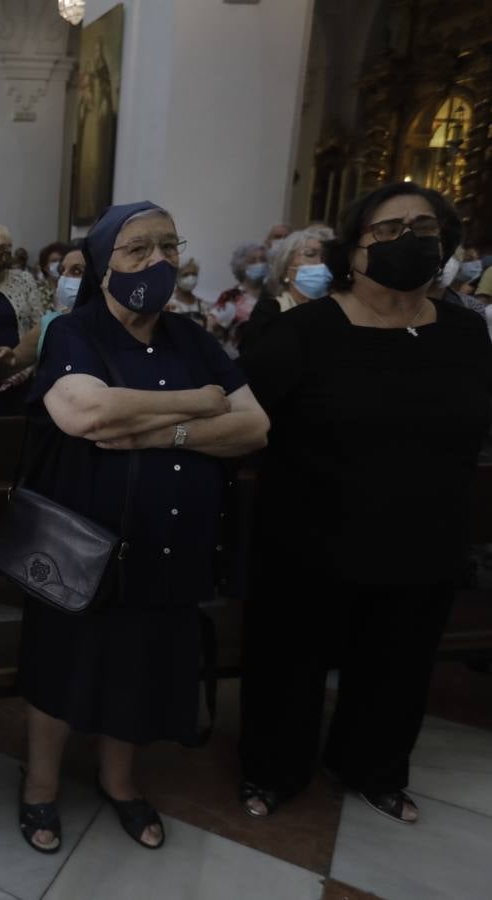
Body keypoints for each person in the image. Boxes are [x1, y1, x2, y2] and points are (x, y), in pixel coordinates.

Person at [12, 201, 268, 855]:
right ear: (102, 265)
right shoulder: (75, 332)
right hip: (82, 542)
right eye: (136, 249)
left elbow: (254, 426)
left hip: (170, 543)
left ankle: (119, 783)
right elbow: (87, 416)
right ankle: (40, 788)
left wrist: (164, 432)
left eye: (165, 246)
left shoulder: (192, 337)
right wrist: (198, 403)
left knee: (135, 669)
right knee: (63, 666)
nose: (156, 261)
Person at [238, 183, 492, 826]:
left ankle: (373, 766)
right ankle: (273, 771)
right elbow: (246, 422)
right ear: (353, 250)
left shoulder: (464, 332)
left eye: (424, 227)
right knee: (289, 663)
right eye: (388, 230)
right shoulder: (303, 332)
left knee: (400, 664)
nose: (408, 240)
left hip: (424, 533)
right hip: (309, 534)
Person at [0, 245, 85, 389]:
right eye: (62, 271)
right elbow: (11, 364)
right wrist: (3, 361)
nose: (65, 278)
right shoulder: (51, 323)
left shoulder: (114, 322)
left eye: (77, 271)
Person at [0, 225, 49, 416]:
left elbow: (39, 326)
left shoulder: (25, 280)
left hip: (22, 375)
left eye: (4, 248)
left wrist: (24, 369)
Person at [238, 226, 334, 354]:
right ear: (286, 267)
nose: (321, 263)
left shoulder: (336, 311)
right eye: (310, 254)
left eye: (326, 257)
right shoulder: (269, 311)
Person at [209, 242, 268, 357]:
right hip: (239, 360)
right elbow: (211, 328)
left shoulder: (274, 293)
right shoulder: (231, 297)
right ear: (241, 266)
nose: (259, 264)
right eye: (253, 261)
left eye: (262, 259)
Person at [164, 258, 209, 326]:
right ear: (176, 277)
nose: (191, 278)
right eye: (186, 274)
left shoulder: (202, 305)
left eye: (194, 274)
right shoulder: (168, 305)